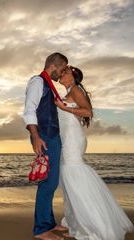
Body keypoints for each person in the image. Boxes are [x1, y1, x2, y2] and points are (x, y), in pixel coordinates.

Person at [54, 66, 134, 239]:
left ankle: (92, 224)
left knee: (74, 176)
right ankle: (77, 223)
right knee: (70, 180)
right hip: (67, 138)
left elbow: (87, 111)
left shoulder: (75, 90)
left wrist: (64, 107)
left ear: (74, 77)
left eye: (66, 72)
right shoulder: (70, 91)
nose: (62, 73)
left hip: (73, 139)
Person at [23, 52, 68, 240]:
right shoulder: (37, 81)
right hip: (45, 137)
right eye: (63, 69)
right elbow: (29, 110)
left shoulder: (48, 85)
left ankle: (48, 223)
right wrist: (35, 136)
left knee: (51, 182)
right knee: (48, 183)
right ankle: (41, 229)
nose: (63, 72)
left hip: (51, 136)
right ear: (54, 66)